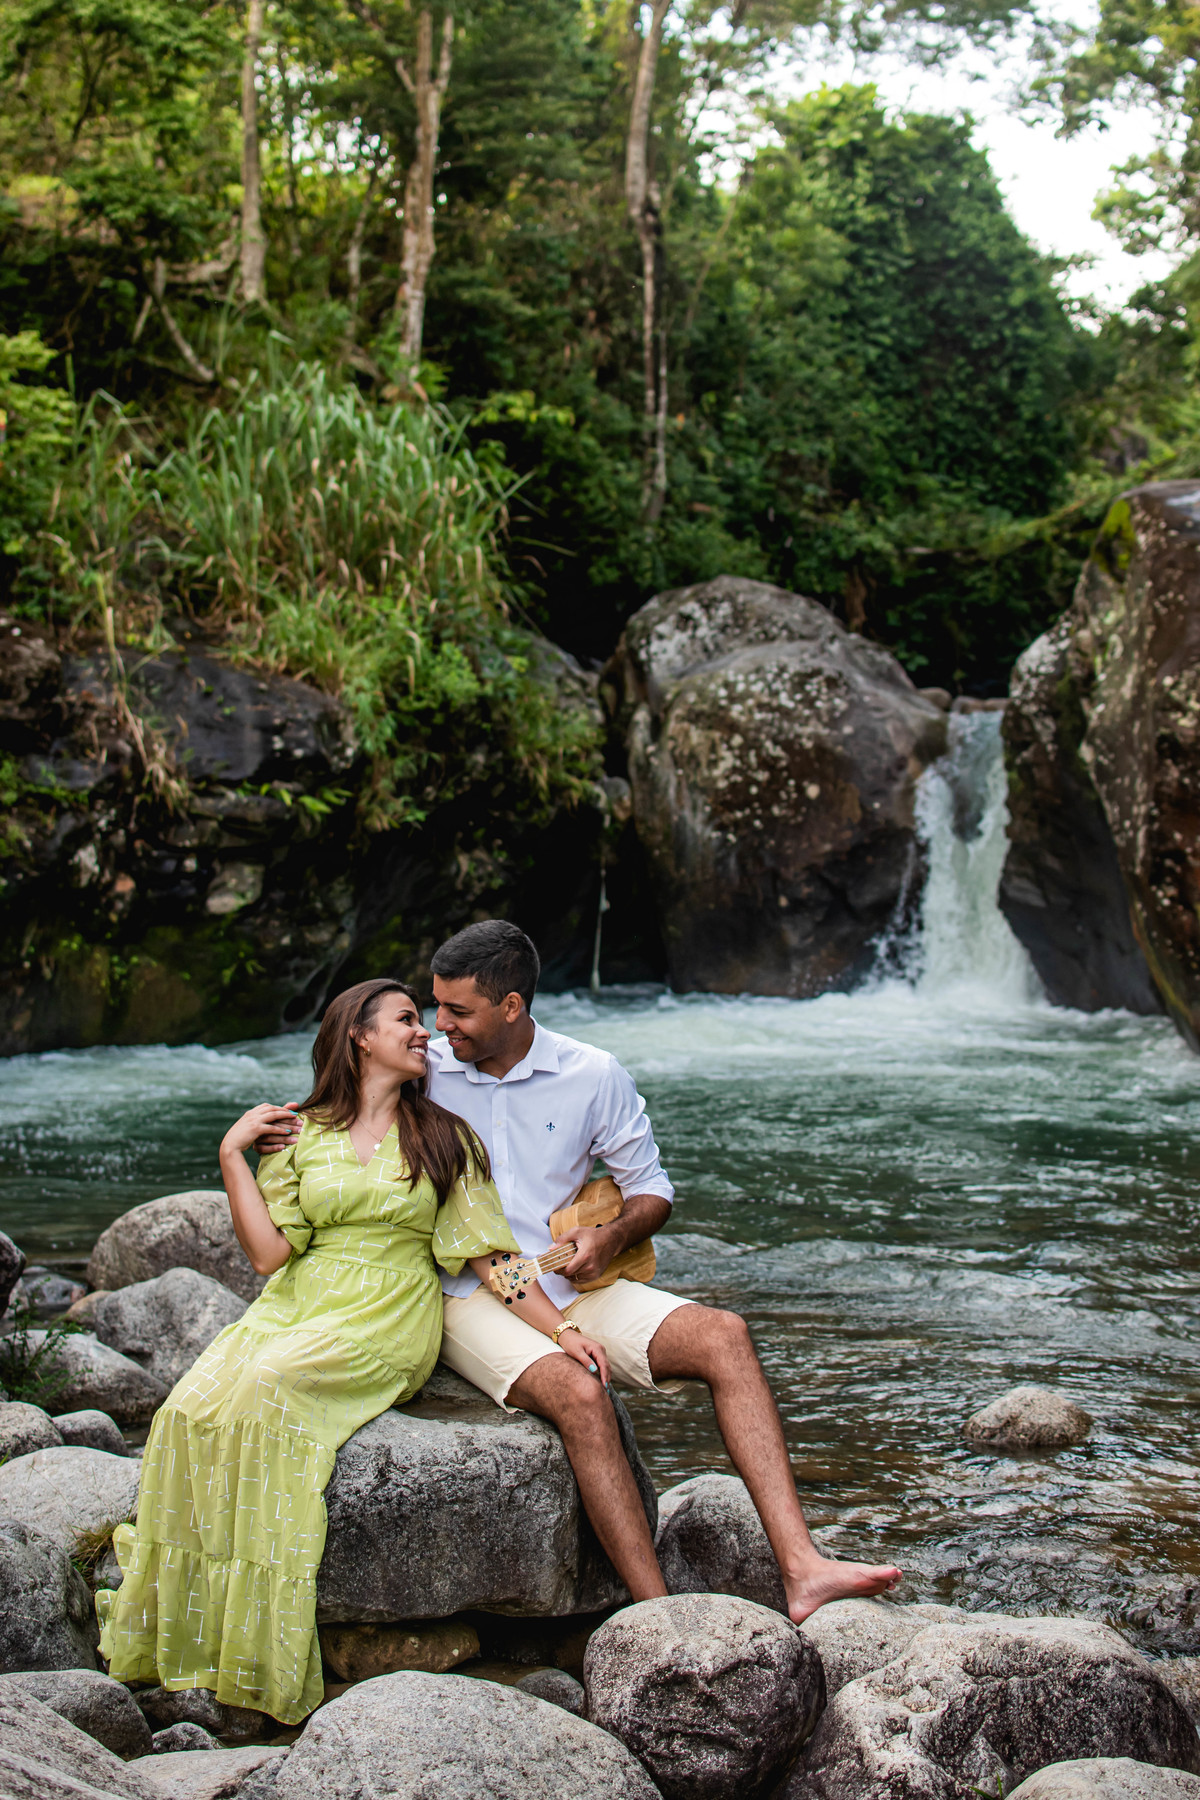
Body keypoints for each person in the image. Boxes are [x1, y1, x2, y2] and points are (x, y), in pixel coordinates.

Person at [260, 924, 901, 1623]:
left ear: (512, 1006)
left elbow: (651, 1185)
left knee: (725, 1337)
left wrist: (613, 1233)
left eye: (459, 1012)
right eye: (434, 1008)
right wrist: (260, 1137)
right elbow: (335, 1113)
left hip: (572, 1282)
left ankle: (802, 1567)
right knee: (581, 1395)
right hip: (466, 1294)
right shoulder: (425, 1069)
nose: (441, 1027)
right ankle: (657, 1615)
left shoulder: (591, 1073)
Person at [96, 977, 564, 1725]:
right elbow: (266, 1255)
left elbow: (491, 1256)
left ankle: (258, 1648)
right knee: (188, 1408)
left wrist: (564, 1331)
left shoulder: (445, 1137)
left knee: (271, 1388)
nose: (426, 1032)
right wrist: (230, 1156)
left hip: (385, 1315)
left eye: (424, 1022)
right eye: (408, 1020)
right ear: (360, 1036)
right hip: (298, 1304)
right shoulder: (299, 1133)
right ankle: (186, 1634)